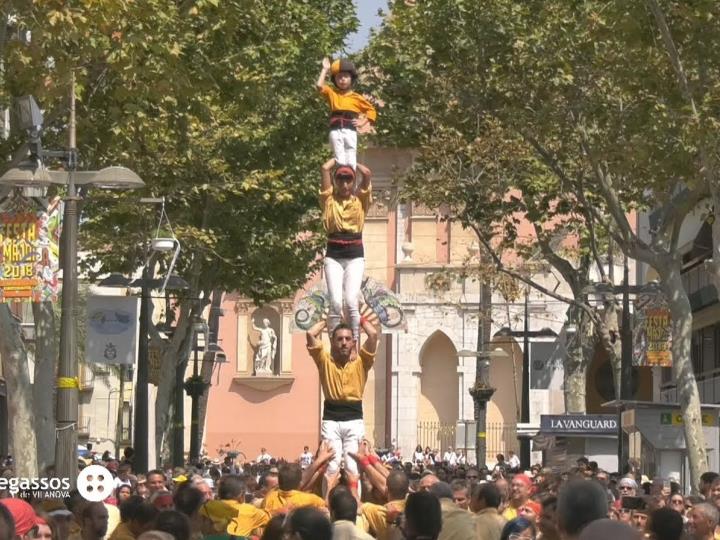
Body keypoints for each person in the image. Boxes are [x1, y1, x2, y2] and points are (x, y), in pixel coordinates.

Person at [306, 314, 378, 491]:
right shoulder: (324, 361)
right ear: (332, 342)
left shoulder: (362, 362)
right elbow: (310, 334)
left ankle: (355, 506)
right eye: (339, 339)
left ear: (354, 342)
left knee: (353, 467)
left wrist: (357, 317)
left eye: (347, 339)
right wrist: (327, 318)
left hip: (354, 419)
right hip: (331, 419)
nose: (344, 342)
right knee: (331, 466)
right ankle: (328, 505)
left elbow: (373, 335)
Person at [318, 158, 373, 340]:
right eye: (340, 179)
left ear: (353, 181)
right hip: (334, 254)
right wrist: (338, 158)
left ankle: (354, 342)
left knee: (351, 301)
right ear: (335, 181)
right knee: (334, 301)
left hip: (355, 255)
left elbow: (367, 174)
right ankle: (334, 341)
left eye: (348, 179)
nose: (344, 183)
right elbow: (325, 168)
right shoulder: (329, 200)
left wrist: (352, 161)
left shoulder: (360, 201)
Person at [316, 57, 377, 170]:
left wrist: (362, 121)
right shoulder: (332, 93)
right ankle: (340, 181)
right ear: (335, 80)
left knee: (351, 158)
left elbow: (371, 110)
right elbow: (319, 86)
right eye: (339, 77)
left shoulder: (357, 97)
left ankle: (351, 183)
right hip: (335, 130)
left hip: (350, 130)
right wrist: (325, 69)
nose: (342, 79)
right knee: (340, 159)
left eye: (345, 76)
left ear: (351, 78)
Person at [261, 463, 326, 513]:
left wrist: (318, 472)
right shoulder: (311, 499)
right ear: (300, 484)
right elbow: (328, 507)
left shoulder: (269, 497)